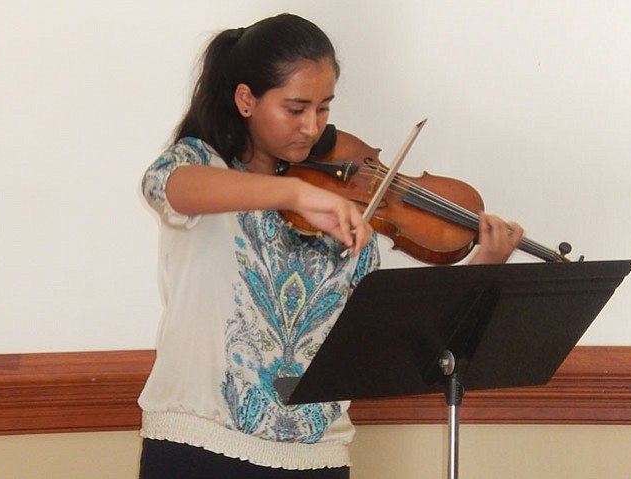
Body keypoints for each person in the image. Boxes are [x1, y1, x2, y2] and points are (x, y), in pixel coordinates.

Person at [138, 13, 523, 479]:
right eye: (295, 108)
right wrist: (295, 193)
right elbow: (166, 184)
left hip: (316, 456)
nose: (312, 127)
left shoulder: (347, 209)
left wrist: (481, 264)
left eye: (324, 108)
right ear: (246, 99)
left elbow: (381, 333)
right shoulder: (202, 165)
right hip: (200, 448)